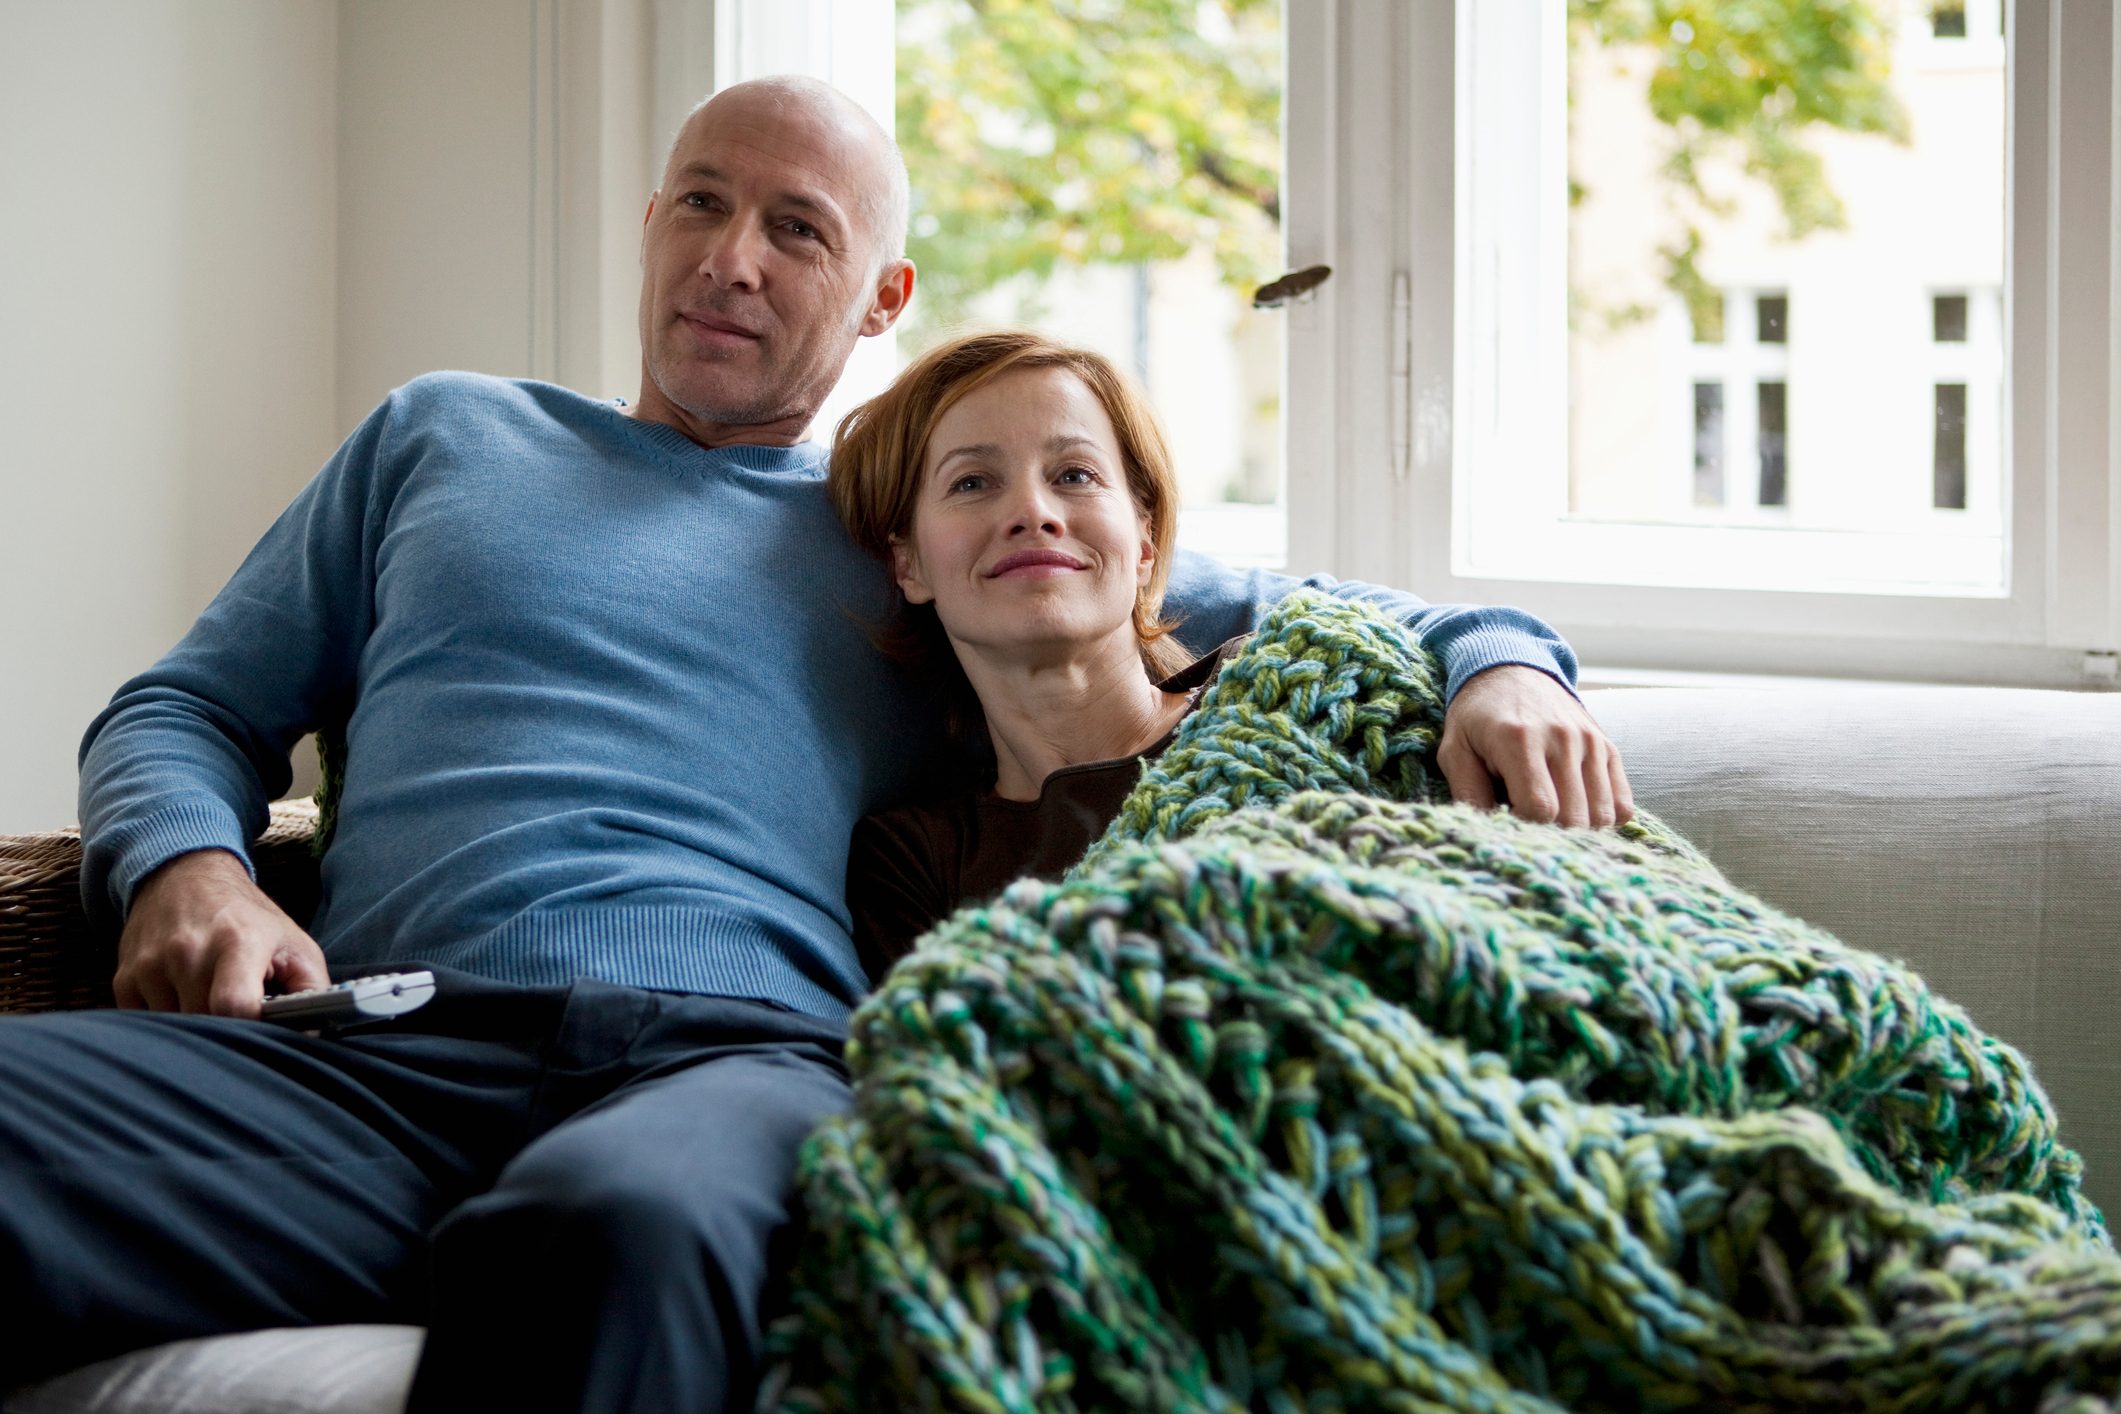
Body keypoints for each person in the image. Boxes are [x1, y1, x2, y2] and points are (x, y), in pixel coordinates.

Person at [2, 77, 1620, 1414]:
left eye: (799, 229)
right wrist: (188, 864)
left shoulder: (928, 519)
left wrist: (1501, 663)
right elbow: (184, 704)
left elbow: (1322, 603)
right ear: (650, 227)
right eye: (701, 203)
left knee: (606, 1230)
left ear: (880, 300)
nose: (733, 258)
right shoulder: (448, 432)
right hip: (382, 1052)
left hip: (731, 1062)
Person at [829, 330, 1634, 974]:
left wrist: (1503, 662)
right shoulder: (915, 860)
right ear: (908, 563)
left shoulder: (1304, 689)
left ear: (1143, 539)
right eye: (972, 484)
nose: (1034, 512)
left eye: (1074, 474)